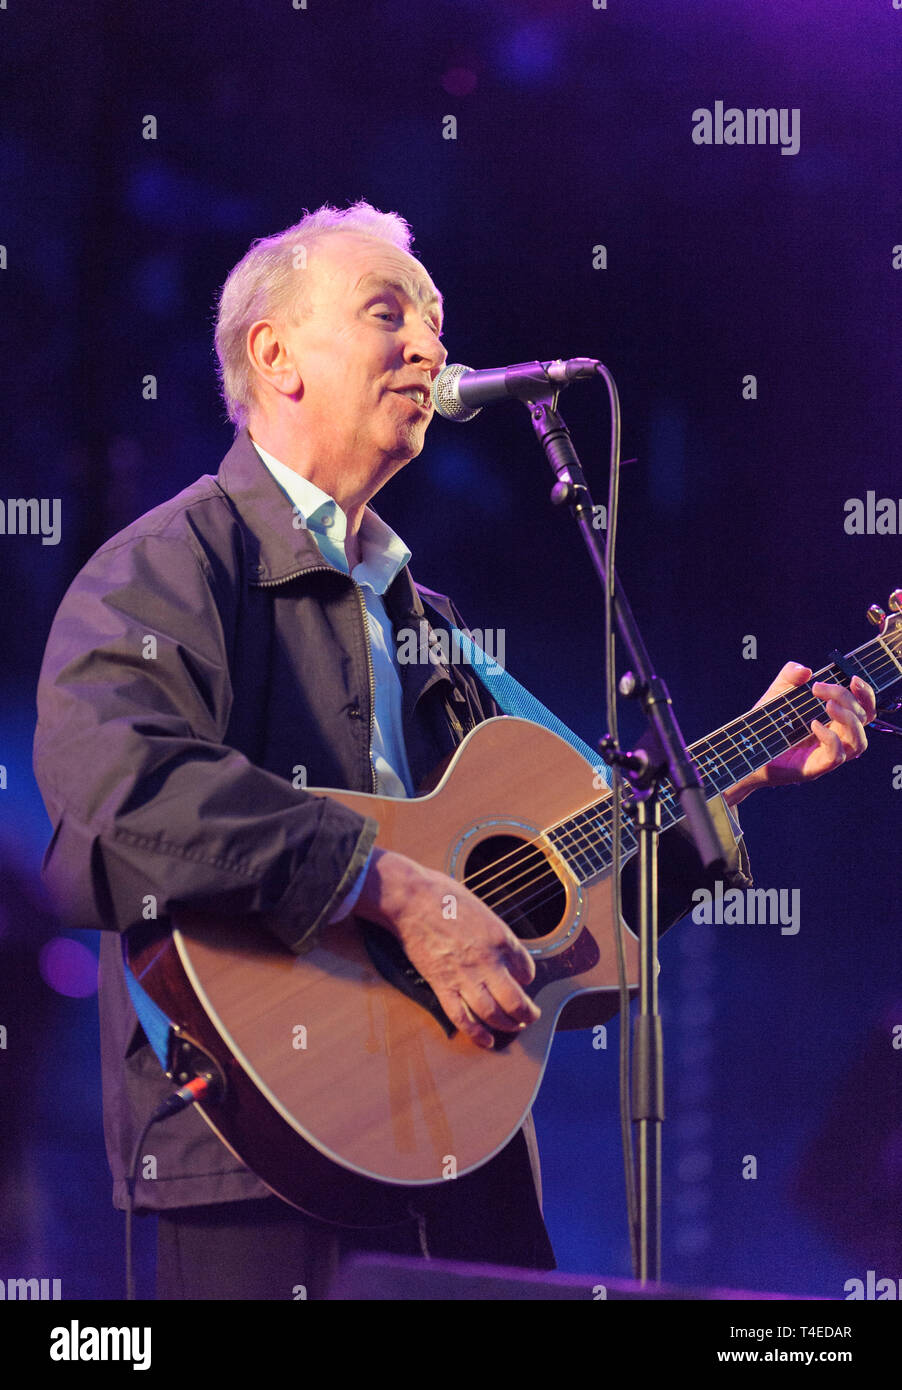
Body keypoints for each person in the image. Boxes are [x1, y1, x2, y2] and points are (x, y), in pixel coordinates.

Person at [33, 201, 875, 1299]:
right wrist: (385, 886)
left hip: (461, 1166)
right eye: (389, 314)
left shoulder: (422, 615)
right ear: (273, 354)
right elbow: (118, 785)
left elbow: (568, 885)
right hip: (255, 1158)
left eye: (435, 319)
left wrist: (747, 771)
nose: (431, 347)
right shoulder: (169, 567)